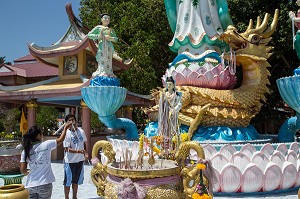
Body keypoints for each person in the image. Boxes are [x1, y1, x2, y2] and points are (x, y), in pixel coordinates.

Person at [20, 122, 72, 199]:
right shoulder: (47, 144)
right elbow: (61, 139)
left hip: (30, 185)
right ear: (38, 136)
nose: (42, 136)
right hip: (45, 184)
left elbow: (23, 170)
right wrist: (65, 128)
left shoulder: (25, 151)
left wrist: (31, 171)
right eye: (41, 134)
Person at [164, 0, 232, 55]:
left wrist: (178, 33)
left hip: (183, 42)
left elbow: (170, 10)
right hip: (214, 40)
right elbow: (223, 12)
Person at [63, 114, 88, 199]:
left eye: (73, 120)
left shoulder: (81, 131)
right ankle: (66, 197)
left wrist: (86, 153)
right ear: (66, 123)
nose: (71, 122)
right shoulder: (66, 133)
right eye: (69, 121)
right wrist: (78, 151)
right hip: (70, 161)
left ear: (76, 121)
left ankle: (75, 197)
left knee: (76, 181)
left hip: (80, 161)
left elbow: (84, 143)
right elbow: (66, 148)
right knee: (67, 182)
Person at [87, 13, 118, 77]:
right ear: (101, 19)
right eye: (105, 18)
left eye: (108, 18)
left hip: (109, 46)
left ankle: (109, 72)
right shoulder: (98, 28)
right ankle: (101, 71)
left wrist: (111, 38)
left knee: (109, 60)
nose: (107, 19)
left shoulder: (111, 30)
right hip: (102, 46)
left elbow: (116, 39)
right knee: (102, 58)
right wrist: (99, 36)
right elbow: (89, 35)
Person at [158, 76, 182, 152]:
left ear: (173, 85)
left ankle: (174, 147)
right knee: (165, 131)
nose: (169, 86)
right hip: (165, 115)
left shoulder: (177, 95)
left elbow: (180, 104)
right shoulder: (164, 94)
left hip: (173, 115)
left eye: (170, 84)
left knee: (173, 131)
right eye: (167, 84)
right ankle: (165, 147)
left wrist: (174, 110)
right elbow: (161, 105)